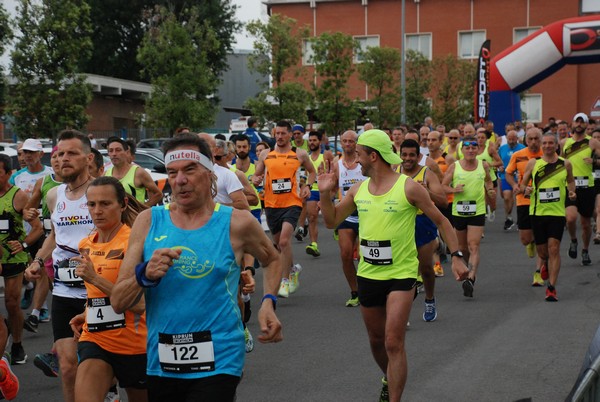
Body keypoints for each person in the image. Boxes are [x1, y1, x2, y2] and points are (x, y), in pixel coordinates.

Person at [110, 134, 283, 402]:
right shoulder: (148, 222)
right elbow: (119, 301)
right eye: (172, 172)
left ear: (210, 173)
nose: (180, 180)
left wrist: (268, 302)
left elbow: (272, 258)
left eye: (190, 170)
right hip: (162, 359)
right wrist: (144, 274)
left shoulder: (237, 223)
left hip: (221, 355)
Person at [318, 129, 468, 402]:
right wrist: (325, 195)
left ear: (373, 156)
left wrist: (456, 256)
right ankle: (389, 376)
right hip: (368, 274)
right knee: (376, 341)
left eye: (360, 155)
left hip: (401, 273)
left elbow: (442, 221)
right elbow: (332, 220)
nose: (356, 160)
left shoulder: (408, 187)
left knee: (393, 341)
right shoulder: (358, 189)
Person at [24, 130, 95, 402]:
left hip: (98, 291)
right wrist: (38, 260)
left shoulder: (101, 189)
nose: (64, 159)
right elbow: (55, 235)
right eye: (60, 154)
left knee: (99, 361)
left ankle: (109, 393)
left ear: (88, 158)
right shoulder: (54, 195)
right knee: (67, 365)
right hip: (64, 292)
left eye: (72, 153)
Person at [68, 176, 148, 402]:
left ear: (122, 204)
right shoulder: (86, 244)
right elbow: (95, 294)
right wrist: (86, 313)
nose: (97, 211)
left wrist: (95, 278)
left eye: (105, 204)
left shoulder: (135, 242)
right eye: (92, 204)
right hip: (96, 339)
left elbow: (142, 305)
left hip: (136, 345)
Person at [253, 121, 316, 298]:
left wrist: (308, 186)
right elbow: (257, 174)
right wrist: (256, 179)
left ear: (290, 135)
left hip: (292, 203)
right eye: (277, 134)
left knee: (283, 241)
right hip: (272, 205)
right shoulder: (266, 154)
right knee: (279, 246)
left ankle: (285, 280)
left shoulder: (300, 154)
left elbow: (312, 172)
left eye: (283, 133)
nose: (279, 137)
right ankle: (293, 268)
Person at [0, 153, 44, 365]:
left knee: (11, 302)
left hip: (13, 257)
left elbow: (38, 228)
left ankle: (17, 344)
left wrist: (24, 244)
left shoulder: (18, 196)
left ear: (9, 174)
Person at [521, 133, 576, 301]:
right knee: (543, 252)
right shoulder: (534, 163)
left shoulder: (565, 163)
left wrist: (572, 192)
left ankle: (551, 287)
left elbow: (571, 181)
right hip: (538, 212)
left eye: (551, 143)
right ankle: (544, 263)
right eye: (544, 143)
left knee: (554, 249)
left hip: (557, 213)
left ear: (556, 145)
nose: (547, 146)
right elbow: (522, 184)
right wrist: (526, 189)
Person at [399, 139, 448, 322]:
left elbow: (443, 201)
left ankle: (429, 299)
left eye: (412, 155)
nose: (408, 158)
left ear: (418, 156)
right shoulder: (394, 172)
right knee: (404, 269)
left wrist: (427, 191)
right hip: (401, 223)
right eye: (404, 155)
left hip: (423, 222)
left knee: (426, 268)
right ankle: (403, 313)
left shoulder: (427, 172)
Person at [442, 136, 495, 298]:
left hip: (477, 211)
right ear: (462, 150)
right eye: (467, 148)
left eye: (474, 148)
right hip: (459, 212)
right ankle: (470, 270)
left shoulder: (483, 165)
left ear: (478, 150)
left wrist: (490, 190)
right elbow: (443, 186)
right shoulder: (454, 167)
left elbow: (489, 181)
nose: (471, 150)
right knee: (463, 248)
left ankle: (470, 279)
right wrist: (453, 190)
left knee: (474, 246)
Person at [23, 147, 63, 332]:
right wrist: (30, 214)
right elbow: (27, 210)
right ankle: (36, 314)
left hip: (69, 235)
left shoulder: (82, 183)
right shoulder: (44, 181)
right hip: (48, 234)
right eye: (54, 157)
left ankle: (38, 313)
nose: (57, 161)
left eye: (60, 157)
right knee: (46, 274)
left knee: (56, 279)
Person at [330, 130, 366, 306]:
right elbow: (331, 187)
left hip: (366, 214)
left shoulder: (363, 163)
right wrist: (327, 198)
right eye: (344, 141)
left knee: (361, 256)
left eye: (351, 141)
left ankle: (367, 287)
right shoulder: (337, 164)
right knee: (345, 255)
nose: (347, 144)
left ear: (356, 143)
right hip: (346, 214)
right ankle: (355, 291)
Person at [505, 128, 544, 286]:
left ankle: (538, 273)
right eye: (530, 139)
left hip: (543, 202)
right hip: (524, 200)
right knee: (525, 239)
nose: (534, 142)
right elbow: (508, 173)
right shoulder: (518, 155)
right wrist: (515, 185)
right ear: (525, 140)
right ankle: (531, 242)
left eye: (536, 139)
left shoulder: (546, 154)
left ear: (540, 140)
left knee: (543, 238)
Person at [561, 113, 600, 266]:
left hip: (587, 187)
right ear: (572, 124)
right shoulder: (564, 142)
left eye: (581, 122)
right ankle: (573, 240)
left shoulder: (593, 143)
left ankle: (585, 250)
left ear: (585, 125)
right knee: (570, 218)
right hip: (570, 186)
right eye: (576, 121)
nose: (579, 124)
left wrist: (595, 161)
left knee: (585, 224)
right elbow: (559, 161)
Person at [105, 137, 163, 207]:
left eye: (118, 150)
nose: (114, 154)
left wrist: (142, 209)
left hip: (135, 217)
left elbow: (158, 194)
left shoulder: (138, 172)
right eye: (111, 151)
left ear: (126, 152)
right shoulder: (106, 174)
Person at [305, 131, 333, 257]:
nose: (312, 143)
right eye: (310, 140)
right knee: (311, 217)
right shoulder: (307, 157)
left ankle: (338, 229)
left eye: (314, 140)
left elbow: (333, 172)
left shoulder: (326, 155)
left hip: (326, 190)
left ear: (320, 141)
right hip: (313, 189)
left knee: (330, 220)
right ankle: (314, 244)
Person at [497, 130, 525, 230]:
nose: (511, 141)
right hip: (505, 176)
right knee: (507, 197)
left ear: (517, 139)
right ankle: (508, 217)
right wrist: (499, 167)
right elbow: (498, 161)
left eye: (513, 139)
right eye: (509, 139)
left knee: (519, 199)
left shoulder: (522, 148)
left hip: (519, 177)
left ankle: (521, 219)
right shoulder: (502, 148)